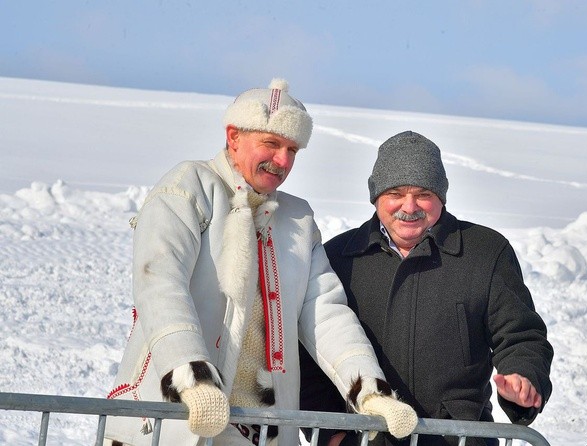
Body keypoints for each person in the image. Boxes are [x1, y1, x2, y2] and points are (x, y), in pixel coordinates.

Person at [103, 80, 418, 446]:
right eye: (271, 143)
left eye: (292, 149)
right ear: (234, 136)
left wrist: (370, 391)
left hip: (262, 431)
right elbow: (160, 283)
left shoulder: (297, 219)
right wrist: (192, 376)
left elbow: (325, 312)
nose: (283, 160)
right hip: (174, 423)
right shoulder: (188, 188)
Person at [300, 130, 554, 446]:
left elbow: (521, 336)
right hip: (364, 439)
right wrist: (331, 435)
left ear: (441, 197)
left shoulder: (485, 252)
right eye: (395, 193)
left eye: (423, 194)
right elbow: (309, 348)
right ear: (376, 195)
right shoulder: (339, 256)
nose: (409, 206)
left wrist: (523, 377)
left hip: (458, 440)